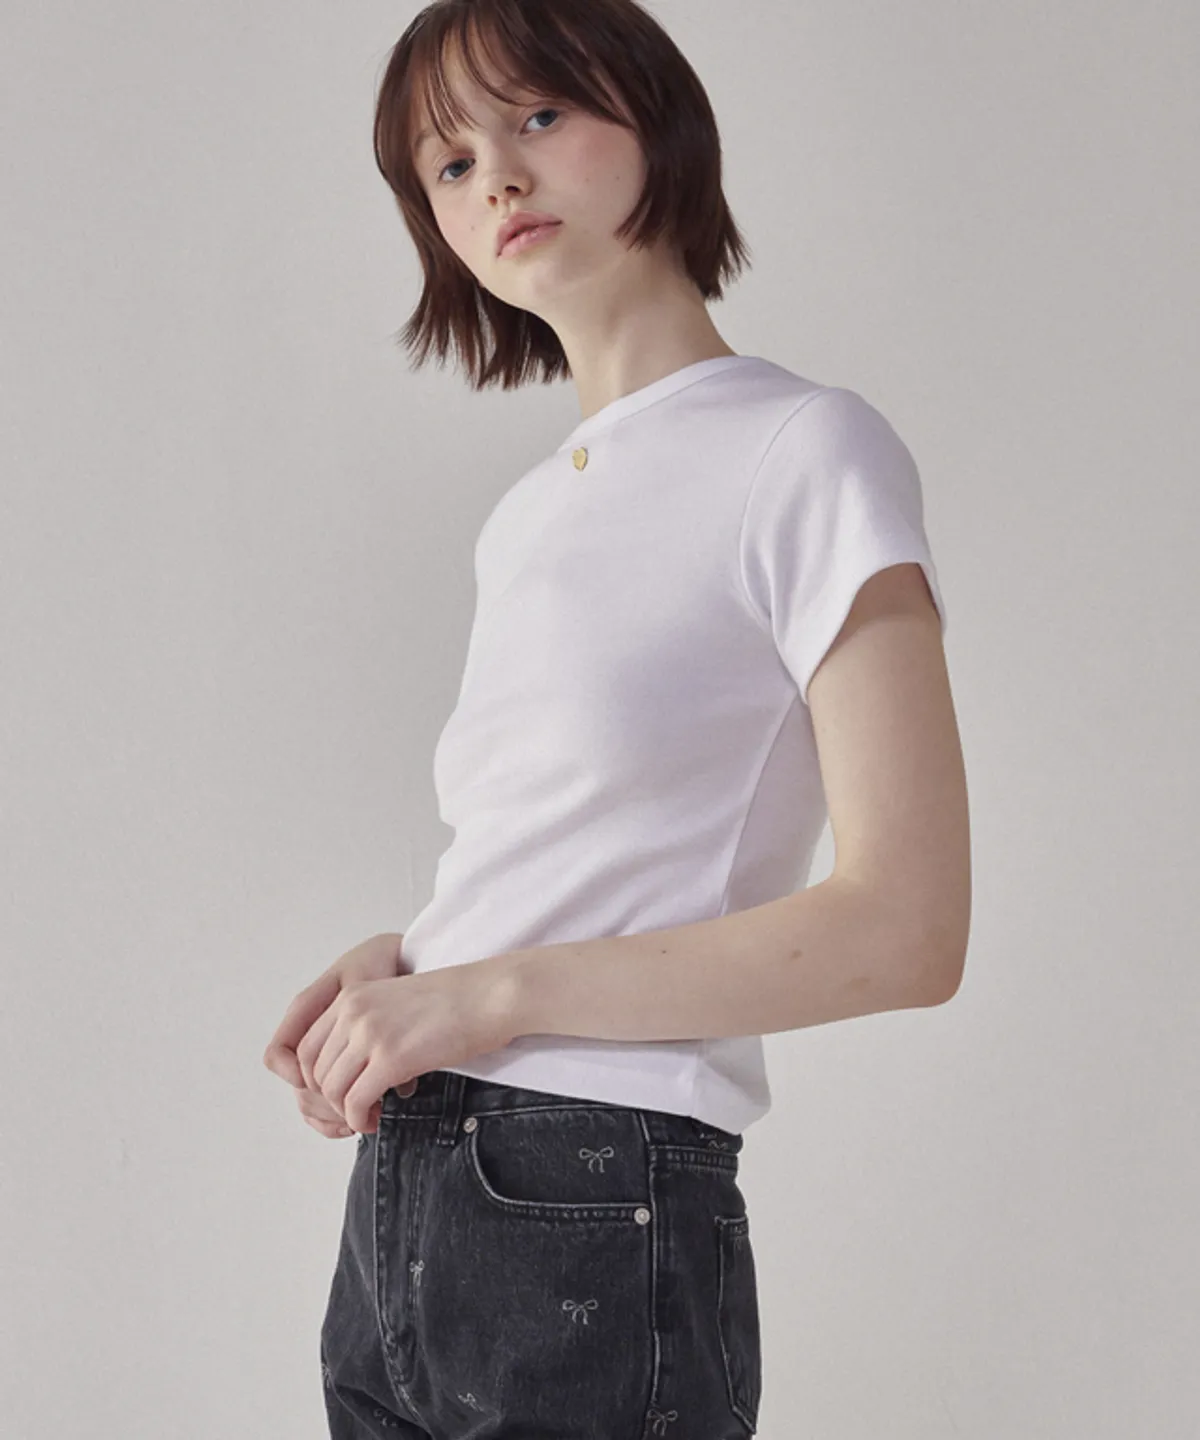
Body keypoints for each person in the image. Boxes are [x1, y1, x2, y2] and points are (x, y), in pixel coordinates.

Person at [262, 1, 971, 1434]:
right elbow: (590, 846)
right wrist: (419, 961)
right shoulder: (528, 515)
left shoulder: (802, 449)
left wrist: (487, 994)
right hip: (408, 1179)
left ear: (656, 117)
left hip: (591, 1184)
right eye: (450, 163)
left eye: (537, 116)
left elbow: (908, 927)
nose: (500, 178)